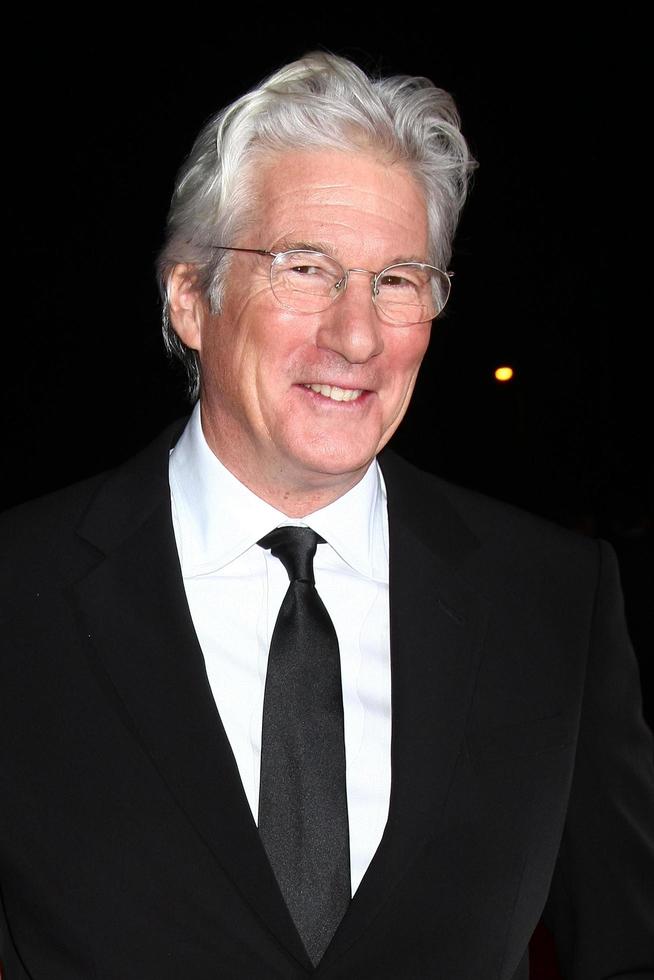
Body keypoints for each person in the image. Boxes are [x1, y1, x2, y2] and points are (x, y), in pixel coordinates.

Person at [1, 52, 652, 980]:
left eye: (397, 279)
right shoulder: (20, 602)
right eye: (305, 267)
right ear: (190, 298)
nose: (356, 336)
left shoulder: (553, 602)